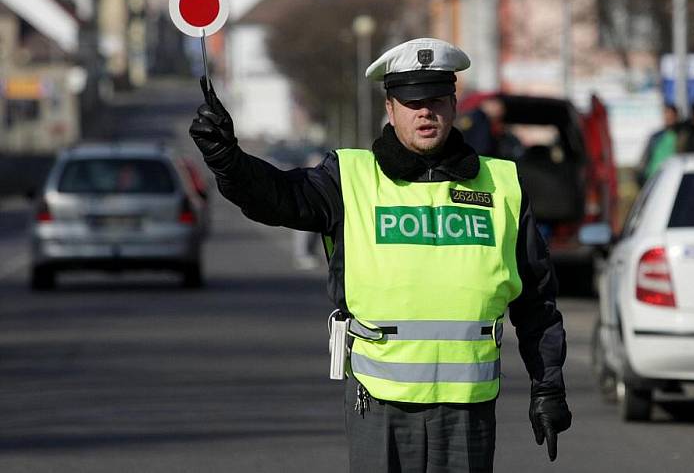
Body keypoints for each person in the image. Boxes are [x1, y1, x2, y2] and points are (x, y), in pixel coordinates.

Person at [189, 37, 571, 472]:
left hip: (468, 408)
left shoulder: (502, 185)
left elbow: (537, 303)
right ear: (390, 108)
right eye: (412, 101)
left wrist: (548, 387)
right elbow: (277, 197)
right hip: (379, 402)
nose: (425, 111)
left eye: (436, 99)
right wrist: (228, 160)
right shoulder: (350, 177)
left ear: (453, 103)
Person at [637, 103, 679, 186]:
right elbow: (646, 157)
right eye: (666, 115)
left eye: (671, 116)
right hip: (653, 178)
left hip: (672, 178)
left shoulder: (681, 135)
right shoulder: (656, 136)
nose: (668, 118)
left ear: (676, 116)